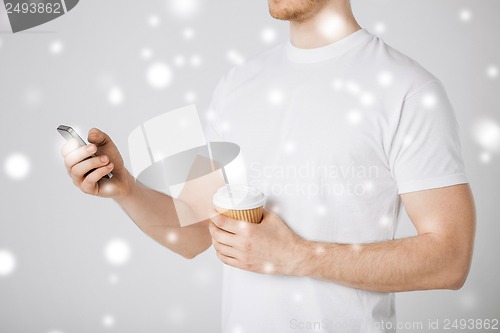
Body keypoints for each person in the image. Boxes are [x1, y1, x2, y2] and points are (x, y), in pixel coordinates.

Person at [61, 0, 476, 332]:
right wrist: (126, 189)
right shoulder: (236, 85)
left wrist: (300, 256)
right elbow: (196, 234)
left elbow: (450, 258)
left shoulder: (409, 90)